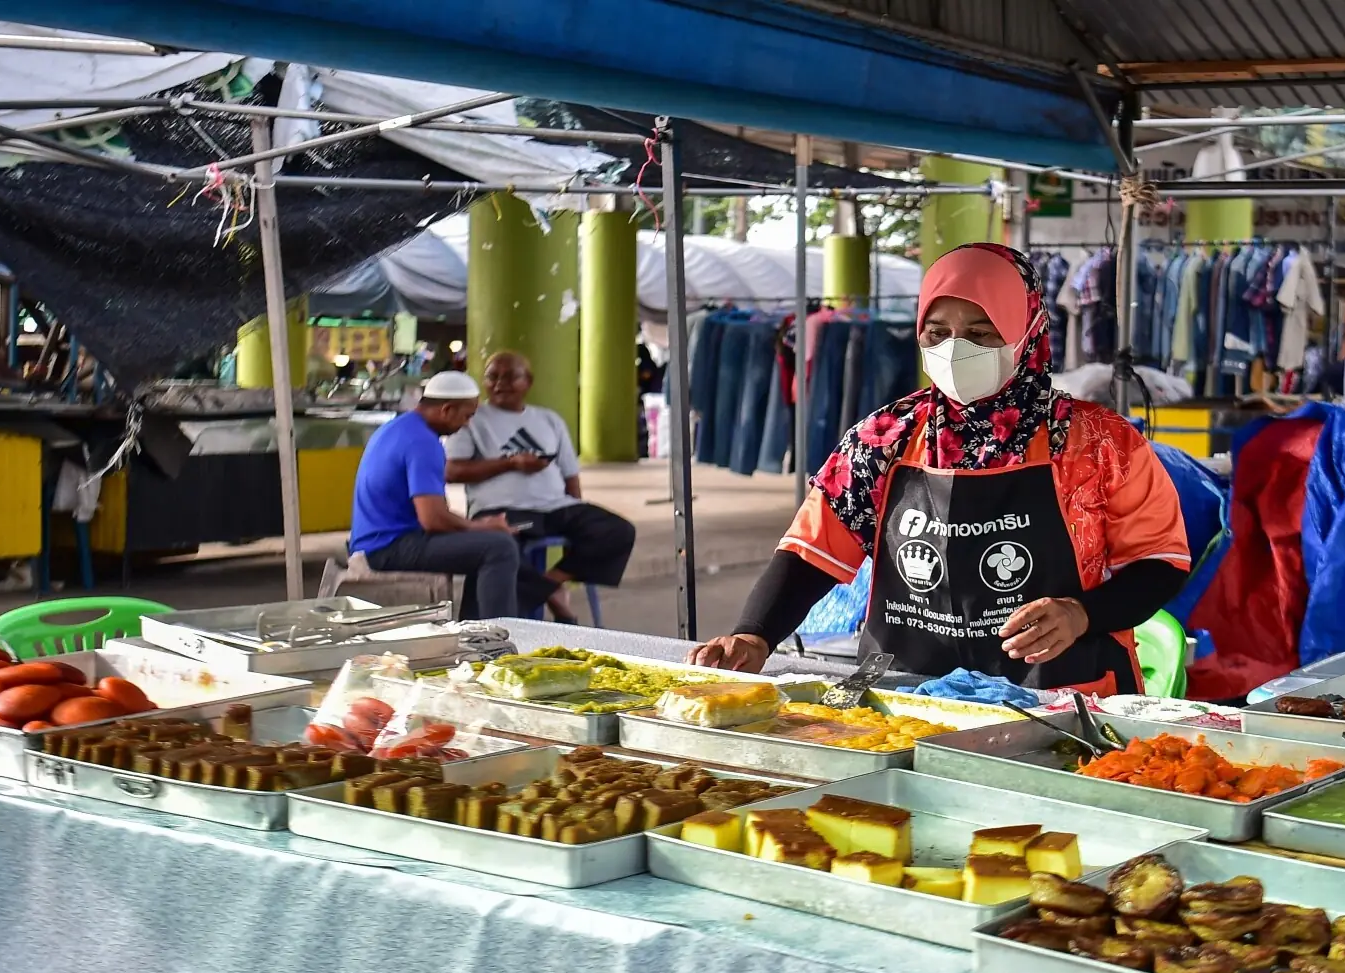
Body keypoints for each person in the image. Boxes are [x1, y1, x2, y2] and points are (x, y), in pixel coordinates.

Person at [688, 243, 1191, 692]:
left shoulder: (1101, 443)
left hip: (1065, 693)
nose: (956, 348)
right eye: (938, 332)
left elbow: (1160, 562)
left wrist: (1082, 614)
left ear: (1027, 330)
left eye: (980, 332)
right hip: (907, 696)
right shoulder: (883, 438)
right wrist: (754, 632)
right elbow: (811, 551)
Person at [445, 350, 638, 622]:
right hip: (502, 511)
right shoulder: (472, 419)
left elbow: (571, 475)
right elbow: (452, 471)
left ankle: (549, 585)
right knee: (496, 547)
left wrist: (579, 512)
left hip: (555, 507)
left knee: (617, 531)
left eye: (510, 377)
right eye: (492, 377)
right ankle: (534, 603)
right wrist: (510, 464)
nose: (499, 384)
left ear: (529, 382)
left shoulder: (549, 420)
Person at [349, 370, 521, 617]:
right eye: (466, 416)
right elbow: (433, 519)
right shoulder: (424, 443)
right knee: (500, 547)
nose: (466, 424)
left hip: (375, 539)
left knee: (485, 547)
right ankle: (505, 636)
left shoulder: (399, 427)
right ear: (447, 409)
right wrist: (483, 526)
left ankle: (476, 633)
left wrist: (477, 528)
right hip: (388, 547)